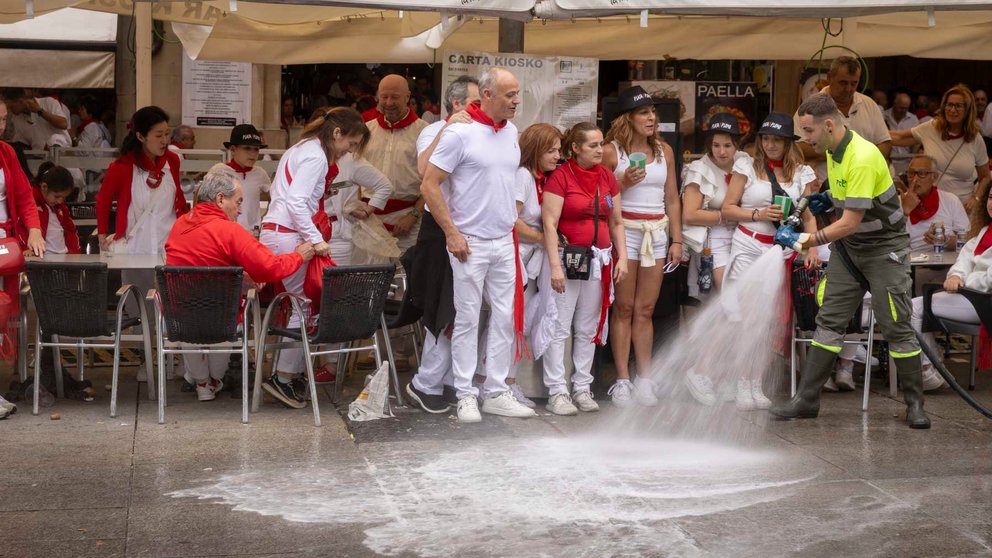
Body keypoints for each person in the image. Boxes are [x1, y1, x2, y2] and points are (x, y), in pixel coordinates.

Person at [773, 92, 930, 429]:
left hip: (883, 250)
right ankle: (807, 400)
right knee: (829, 321)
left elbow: (849, 222)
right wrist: (827, 198)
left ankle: (915, 404)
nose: (804, 139)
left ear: (828, 125)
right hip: (851, 249)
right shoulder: (833, 150)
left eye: (808, 131)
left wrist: (805, 239)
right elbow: (848, 193)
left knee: (895, 325)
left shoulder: (861, 155)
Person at [419, 66, 536, 422]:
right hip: (469, 242)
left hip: (503, 240)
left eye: (517, 94)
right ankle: (466, 392)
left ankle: (496, 390)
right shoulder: (459, 133)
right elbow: (428, 184)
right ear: (487, 95)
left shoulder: (512, 131)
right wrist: (452, 233)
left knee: (504, 319)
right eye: (509, 95)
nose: (516, 101)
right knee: (467, 319)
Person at [165, 171, 314, 401]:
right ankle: (212, 380)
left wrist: (239, 276)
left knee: (192, 310)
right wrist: (298, 256)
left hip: (179, 320)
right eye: (238, 201)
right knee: (222, 313)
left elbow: (200, 261)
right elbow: (270, 268)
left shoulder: (179, 225)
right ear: (220, 199)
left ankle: (203, 382)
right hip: (222, 320)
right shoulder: (230, 230)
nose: (241, 209)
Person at [258, 107, 365, 409]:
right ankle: (284, 375)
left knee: (295, 305)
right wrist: (317, 240)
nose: (349, 151)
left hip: (281, 232)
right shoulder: (316, 155)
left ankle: (285, 372)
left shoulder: (303, 148)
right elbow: (296, 201)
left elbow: (293, 198)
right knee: (302, 307)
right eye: (351, 143)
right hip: (290, 235)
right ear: (336, 134)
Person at [721, 112, 819, 410]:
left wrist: (811, 247)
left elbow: (809, 214)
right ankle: (740, 381)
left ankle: (755, 382)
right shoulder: (746, 166)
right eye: (766, 138)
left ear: (789, 142)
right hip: (748, 245)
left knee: (767, 319)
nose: (770, 144)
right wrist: (758, 215)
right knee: (744, 318)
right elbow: (727, 208)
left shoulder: (803, 173)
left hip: (780, 252)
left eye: (777, 139)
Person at [600, 85, 681, 408]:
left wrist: (677, 238)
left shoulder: (665, 151)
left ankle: (644, 379)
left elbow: (672, 197)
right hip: (625, 231)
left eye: (653, 112)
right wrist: (622, 183)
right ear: (628, 118)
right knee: (624, 308)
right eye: (643, 112)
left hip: (656, 232)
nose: (651, 118)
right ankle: (622, 379)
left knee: (646, 309)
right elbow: (598, 197)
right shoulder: (610, 152)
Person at [539, 121, 628, 414]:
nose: (600, 150)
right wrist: (554, 266)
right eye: (592, 145)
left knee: (589, 327)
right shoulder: (561, 177)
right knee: (560, 325)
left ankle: (582, 387)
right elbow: (549, 223)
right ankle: (557, 390)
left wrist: (622, 257)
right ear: (575, 148)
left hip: (599, 259)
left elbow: (615, 221)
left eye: (601, 144)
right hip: (569, 258)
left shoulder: (606, 177)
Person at [404, 76, 480, 415]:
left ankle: (451, 381)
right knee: (444, 305)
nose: (482, 109)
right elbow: (424, 171)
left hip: (473, 227)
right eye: (477, 102)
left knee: (468, 310)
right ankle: (427, 382)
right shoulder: (432, 130)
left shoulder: (485, 133)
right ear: (457, 104)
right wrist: (449, 127)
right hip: (440, 227)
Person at [96, 106, 189, 340]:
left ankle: (171, 353)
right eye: (158, 135)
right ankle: (145, 354)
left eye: (167, 133)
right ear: (140, 136)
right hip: (136, 246)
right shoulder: (122, 167)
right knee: (138, 302)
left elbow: (177, 196)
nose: (165, 140)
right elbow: (103, 200)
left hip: (169, 245)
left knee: (173, 300)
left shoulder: (173, 162)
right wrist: (102, 234)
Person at [909, 185, 992, 392]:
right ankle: (932, 366)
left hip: (983, 300)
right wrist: (956, 275)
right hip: (973, 297)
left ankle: (929, 368)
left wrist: (964, 282)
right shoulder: (984, 232)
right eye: (990, 197)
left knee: (912, 308)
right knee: (912, 306)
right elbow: (964, 258)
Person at [509, 123, 563, 411]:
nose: (557, 156)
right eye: (551, 150)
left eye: (558, 150)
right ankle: (501, 384)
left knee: (519, 322)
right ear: (535, 149)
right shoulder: (522, 177)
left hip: (531, 259)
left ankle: (505, 381)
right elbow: (511, 221)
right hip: (518, 256)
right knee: (511, 322)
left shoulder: (539, 178)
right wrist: (544, 238)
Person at [359, 74, 429, 259]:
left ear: (407, 97)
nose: (389, 102)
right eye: (384, 97)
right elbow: (352, 176)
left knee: (406, 278)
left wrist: (413, 215)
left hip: (408, 221)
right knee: (371, 279)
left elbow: (433, 181)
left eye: (395, 97)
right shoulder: (365, 131)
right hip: (369, 220)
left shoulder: (425, 132)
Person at [793, 57, 891, 187]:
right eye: (843, 83)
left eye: (854, 83)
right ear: (829, 78)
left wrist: (862, 161)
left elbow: (885, 144)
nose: (848, 89)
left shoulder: (869, 104)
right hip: (825, 187)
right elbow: (797, 148)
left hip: (864, 184)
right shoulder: (809, 108)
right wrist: (843, 151)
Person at [891, 84, 991, 211]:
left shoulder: (975, 138)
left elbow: (985, 177)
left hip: (962, 208)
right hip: (930, 206)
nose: (952, 109)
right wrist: (869, 132)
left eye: (958, 106)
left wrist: (975, 199)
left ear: (968, 110)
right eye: (949, 104)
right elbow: (898, 137)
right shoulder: (931, 127)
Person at [681, 112, 748, 292]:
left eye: (727, 145)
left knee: (746, 290)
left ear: (737, 144)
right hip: (714, 237)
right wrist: (725, 216)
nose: (721, 151)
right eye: (716, 145)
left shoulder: (745, 162)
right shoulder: (699, 169)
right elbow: (689, 215)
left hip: (745, 235)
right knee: (728, 290)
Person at [208, 124, 271, 234]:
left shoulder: (260, 173)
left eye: (256, 149)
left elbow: (275, 197)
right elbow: (201, 199)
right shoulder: (219, 171)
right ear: (233, 150)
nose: (252, 153)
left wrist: (266, 218)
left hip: (251, 234)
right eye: (247, 148)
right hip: (223, 233)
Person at [899, 154, 969, 253]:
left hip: (946, 263)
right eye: (911, 173)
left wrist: (944, 240)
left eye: (922, 173)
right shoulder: (899, 201)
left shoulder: (950, 200)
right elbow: (888, 241)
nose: (914, 179)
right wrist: (905, 213)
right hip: (911, 263)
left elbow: (968, 240)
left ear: (935, 177)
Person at [1, 87, 71, 151]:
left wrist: (40, 111)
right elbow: (22, 143)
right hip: (39, 157)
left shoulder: (48, 102)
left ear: (20, 101)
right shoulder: (16, 119)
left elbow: (63, 124)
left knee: (54, 138)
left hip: (62, 152)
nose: (9, 110)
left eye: (11, 107)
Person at [32, 164, 79, 254]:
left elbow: (71, 230)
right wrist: (23, 247)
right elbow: (20, 228)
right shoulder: (30, 203)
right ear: (44, 187)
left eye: (63, 198)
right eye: (57, 196)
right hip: (40, 259)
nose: (60, 201)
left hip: (64, 258)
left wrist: (74, 253)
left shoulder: (61, 208)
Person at [884, 92, 920, 175]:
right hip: (888, 161)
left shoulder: (913, 119)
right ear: (894, 104)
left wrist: (913, 157)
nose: (903, 111)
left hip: (908, 161)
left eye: (906, 108)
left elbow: (917, 140)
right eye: (901, 108)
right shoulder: (884, 116)